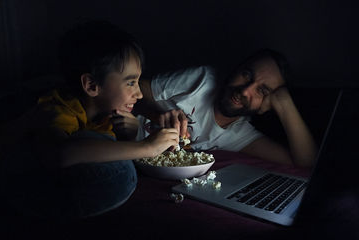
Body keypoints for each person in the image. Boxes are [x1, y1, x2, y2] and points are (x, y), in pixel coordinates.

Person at [0, 20, 179, 219]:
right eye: (130, 82)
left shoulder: (106, 114)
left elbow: (103, 151)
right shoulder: (58, 110)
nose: (138, 94)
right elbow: (60, 154)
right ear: (91, 85)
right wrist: (147, 147)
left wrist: (130, 135)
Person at [135, 49, 317, 168]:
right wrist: (159, 114)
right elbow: (139, 87)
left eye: (262, 91)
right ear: (236, 69)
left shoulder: (240, 135)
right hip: (122, 139)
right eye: (247, 75)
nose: (245, 91)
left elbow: (305, 164)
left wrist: (285, 104)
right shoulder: (202, 79)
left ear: (266, 105)